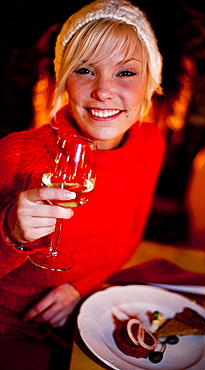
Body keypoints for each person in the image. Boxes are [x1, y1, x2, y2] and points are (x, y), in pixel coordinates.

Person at [0, 0, 165, 368]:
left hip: (86, 316)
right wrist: (10, 234)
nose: (103, 91)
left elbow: (130, 236)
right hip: (9, 329)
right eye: (86, 70)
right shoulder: (17, 154)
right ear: (63, 79)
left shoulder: (149, 144)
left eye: (126, 73)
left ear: (150, 82)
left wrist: (80, 288)